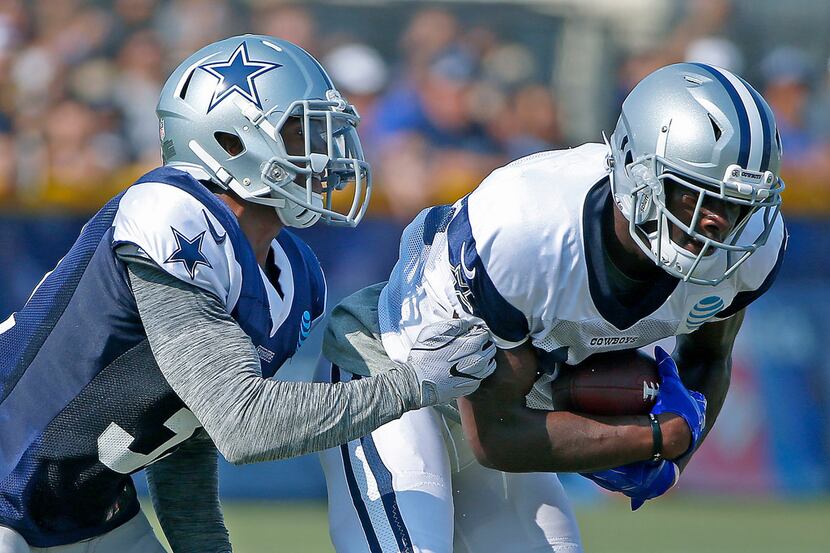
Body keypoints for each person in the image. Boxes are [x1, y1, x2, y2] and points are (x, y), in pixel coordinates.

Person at [0, 35, 497, 553]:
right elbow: (243, 423)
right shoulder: (171, 214)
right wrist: (412, 385)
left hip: (83, 504)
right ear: (228, 141)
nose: (325, 151)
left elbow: (183, 436)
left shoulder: (295, 274)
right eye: (300, 130)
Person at [318, 62, 786, 552]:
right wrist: (650, 438)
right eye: (697, 194)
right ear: (636, 168)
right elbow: (497, 438)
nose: (718, 223)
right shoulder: (527, 226)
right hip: (397, 374)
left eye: (737, 204)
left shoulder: (748, 251)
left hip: (506, 404)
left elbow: (709, 358)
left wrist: (670, 460)